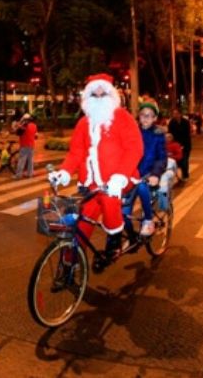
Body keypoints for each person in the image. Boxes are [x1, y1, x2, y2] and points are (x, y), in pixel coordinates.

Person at [48, 74, 142, 272]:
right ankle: (71, 260)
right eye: (94, 95)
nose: (99, 99)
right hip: (91, 183)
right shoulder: (83, 123)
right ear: (87, 97)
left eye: (103, 94)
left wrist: (120, 176)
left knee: (109, 201)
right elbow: (76, 152)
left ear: (111, 95)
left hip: (119, 180)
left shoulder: (122, 117)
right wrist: (64, 172)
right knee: (82, 218)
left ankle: (114, 242)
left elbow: (134, 148)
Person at [122, 101, 167, 237]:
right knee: (124, 215)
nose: (145, 118)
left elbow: (161, 158)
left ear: (154, 118)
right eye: (143, 115)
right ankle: (132, 238)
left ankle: (148, 220)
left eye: (149, 115)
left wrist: (155, 174)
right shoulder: (132, 132)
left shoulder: (158, 134)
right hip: (131, 174)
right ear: (139, 116)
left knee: (141, 186)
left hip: (149, 174)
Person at [167, 108, 192, 180]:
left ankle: (185, 175)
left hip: (185, 144)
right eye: (174, 114)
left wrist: (183, 145)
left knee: (185, 160)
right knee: (177, 161)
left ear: (180, 114)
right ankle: (177, 175)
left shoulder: (185, 122)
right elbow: (170, 133)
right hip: (176, 145)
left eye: (176, 113)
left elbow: (187, 134)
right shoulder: (172, 122)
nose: (175, 115)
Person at [13, 113, 37, 179]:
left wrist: (18, 124)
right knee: (30, 160)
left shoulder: (24, 125)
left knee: (21, 161)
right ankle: (30, 174)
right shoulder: (34, 125)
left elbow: (17, 132)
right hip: (31, 145)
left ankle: (18, 175)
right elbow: (35, 135)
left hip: (24, 145)